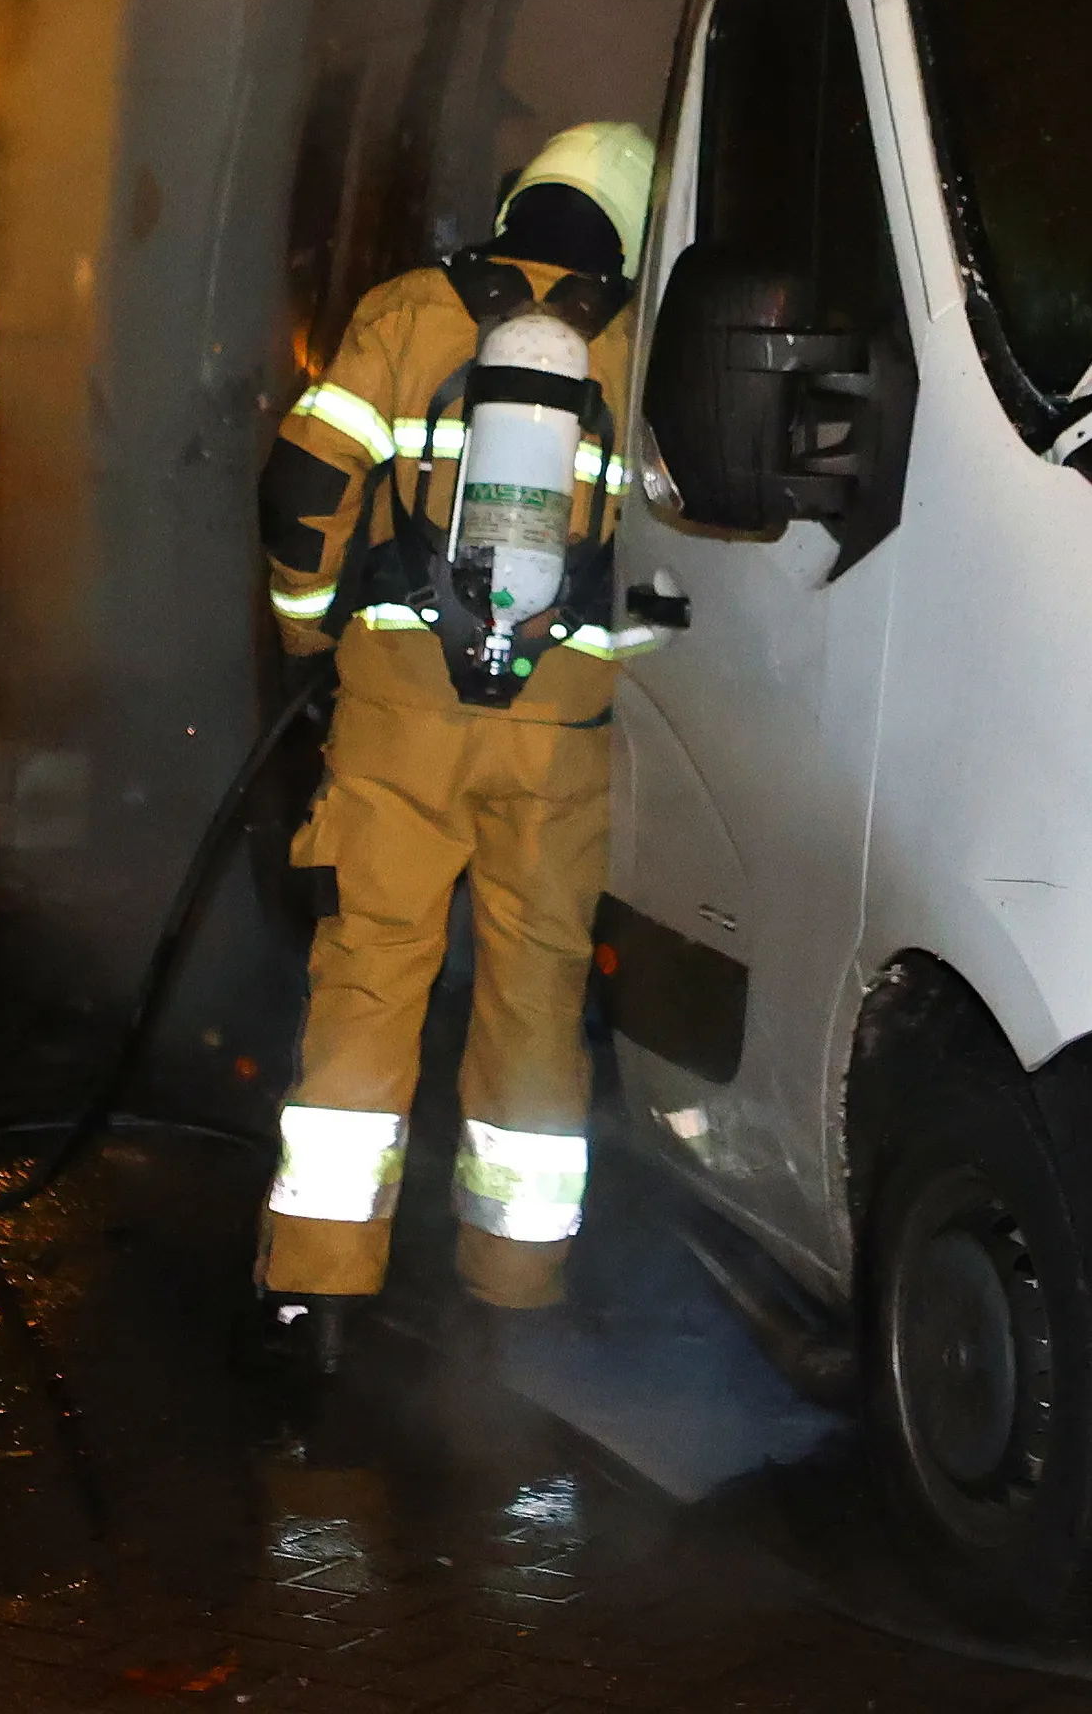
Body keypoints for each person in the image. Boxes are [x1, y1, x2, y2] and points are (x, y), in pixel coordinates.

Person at [246, 121, 657, 1367]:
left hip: (396, 720)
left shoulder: (408, 311)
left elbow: (307, 492)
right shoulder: (641, 347)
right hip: (561, 739)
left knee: (370, 975)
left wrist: (312, 641)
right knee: (536, 1001)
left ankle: (318, 1292)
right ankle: (514, 1294)